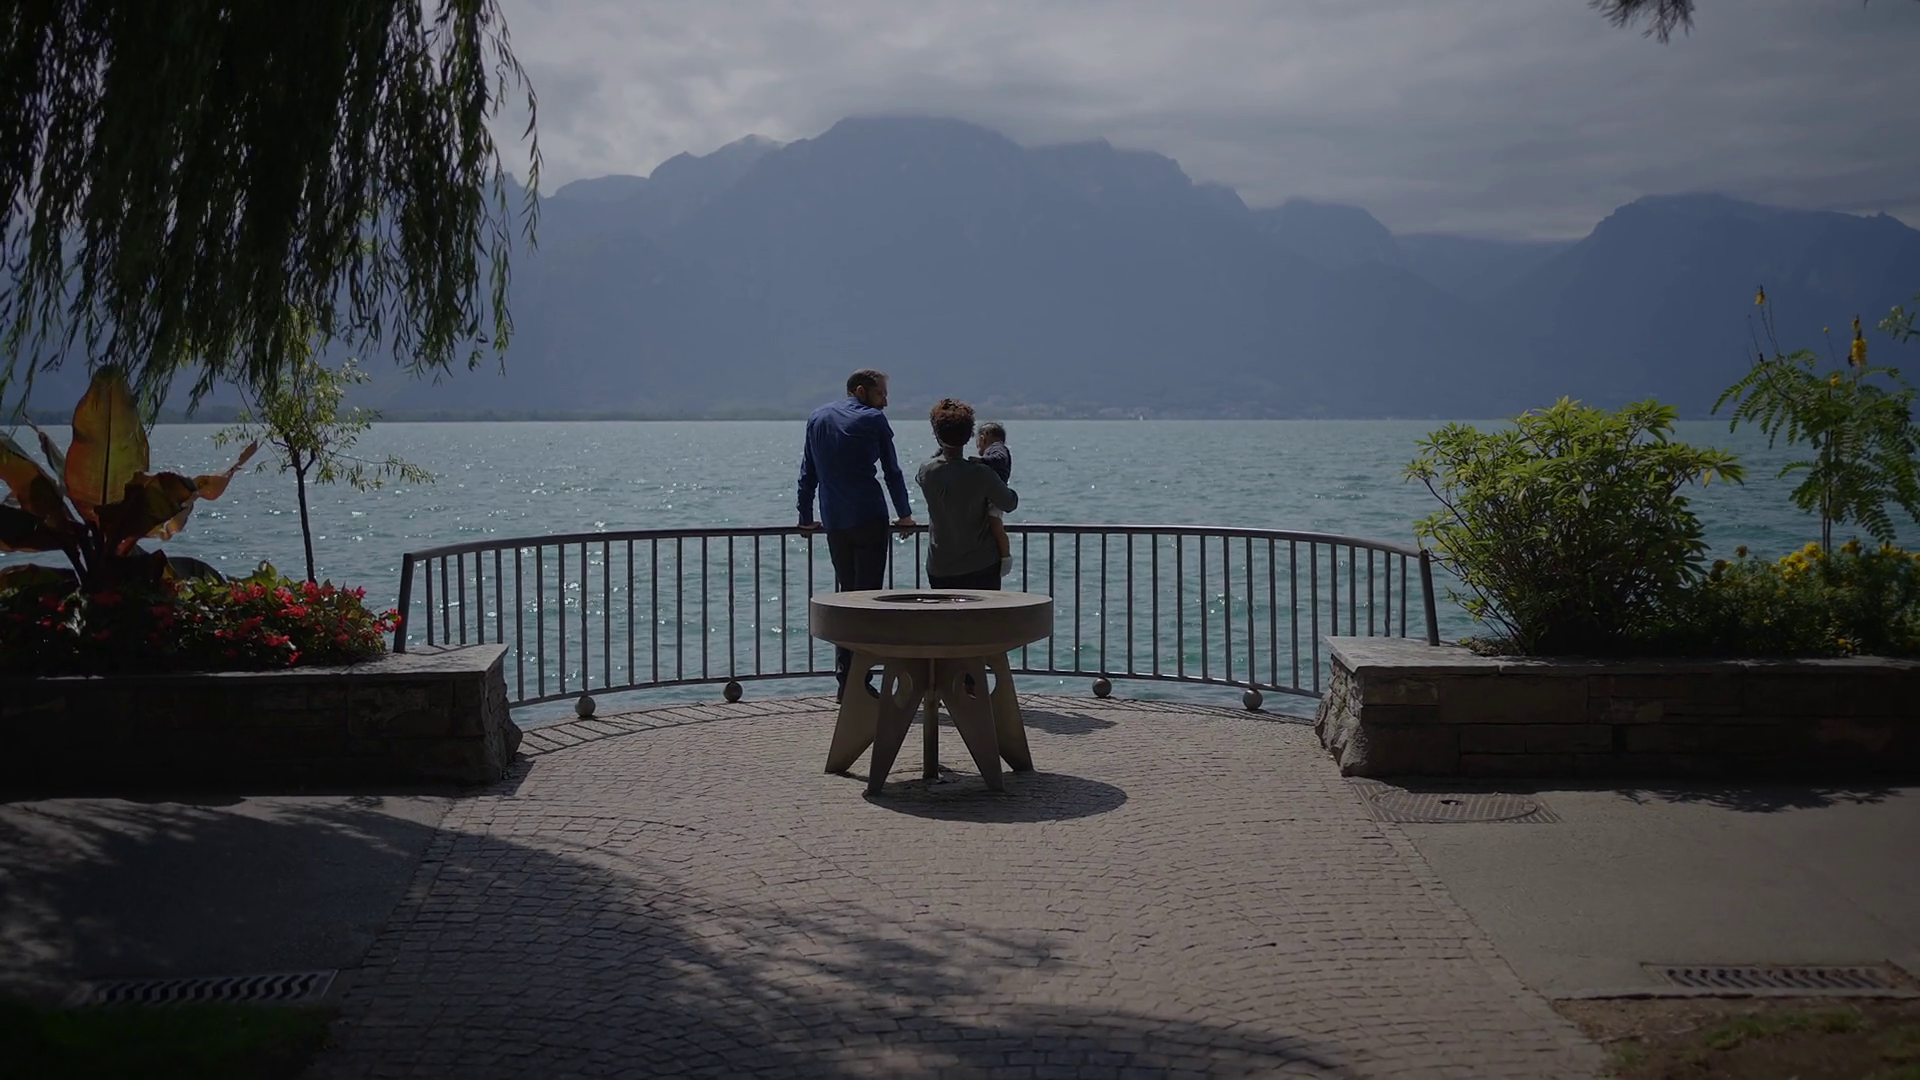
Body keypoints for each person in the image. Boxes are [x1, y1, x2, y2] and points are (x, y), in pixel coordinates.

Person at [798, 369, 916, 701]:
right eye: (882, 394)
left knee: (847, 599)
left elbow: (808, 472)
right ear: (862, 391)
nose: (886, 402)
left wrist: (805, 517)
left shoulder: (817, 418)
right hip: (869, 519)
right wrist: (904, 515)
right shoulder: (874, 420)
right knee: (867, 603)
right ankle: (861, 681)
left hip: (835, 522)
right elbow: (892, 471)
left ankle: (846, 682)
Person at [916, 399, 1018, 590]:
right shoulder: (981, 473)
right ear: (969, 435)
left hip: (940, 566)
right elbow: (1009, 502)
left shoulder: (926, 471)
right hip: (981, 565)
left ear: (937, 435)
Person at [973, 421, 1013, 581]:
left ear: (984, 437)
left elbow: (999, 459)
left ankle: (1005, 557)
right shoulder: (995, 449)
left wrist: (982, 461)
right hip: (991, 495)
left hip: (996, 495)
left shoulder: (997, 448)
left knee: (995, 524)